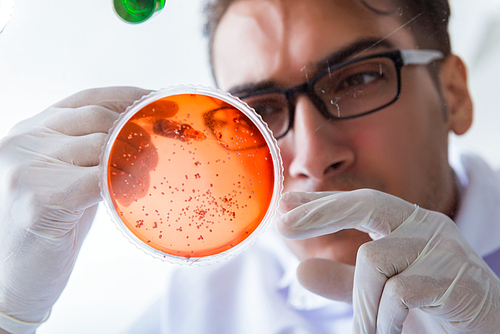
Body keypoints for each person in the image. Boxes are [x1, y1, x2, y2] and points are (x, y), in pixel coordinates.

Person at [1, 0, 500, 333]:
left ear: (453, 95)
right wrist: (9, 313)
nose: (312, 157)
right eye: (259, 113)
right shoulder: (198, 312)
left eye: (358, 79)